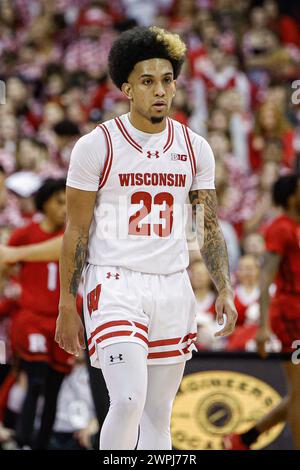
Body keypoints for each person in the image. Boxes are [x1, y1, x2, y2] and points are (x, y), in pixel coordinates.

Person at [55, 26, 238, 451]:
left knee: (159, 416)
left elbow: (208, 225)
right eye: (147, 81)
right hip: (114, 281)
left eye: (167, 80)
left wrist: (224, 286)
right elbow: (76, 230)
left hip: (173, 283)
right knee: (129, 400)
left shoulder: (195, 148)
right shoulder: (95, 146)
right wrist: (67, 303)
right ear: (126, 88)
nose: (160, 90)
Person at [223, 174, 300, 450]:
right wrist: (264, 326)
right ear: (291, 196)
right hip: (290, 317)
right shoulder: (280, 228)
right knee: (299, 392)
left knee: (298, 394)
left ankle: (244, 439)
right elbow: (266, 277)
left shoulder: (296, 226)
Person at [6, 178, 74, 449]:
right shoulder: (24, 234)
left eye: (67, 203)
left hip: (61, 322)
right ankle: (23, 439)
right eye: (59, 202)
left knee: (55, 388)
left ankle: (41, 442)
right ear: (44, 202)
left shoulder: (74, 234)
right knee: (35, 379)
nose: (64, 209)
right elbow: (6, 261)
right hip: (32, 319)